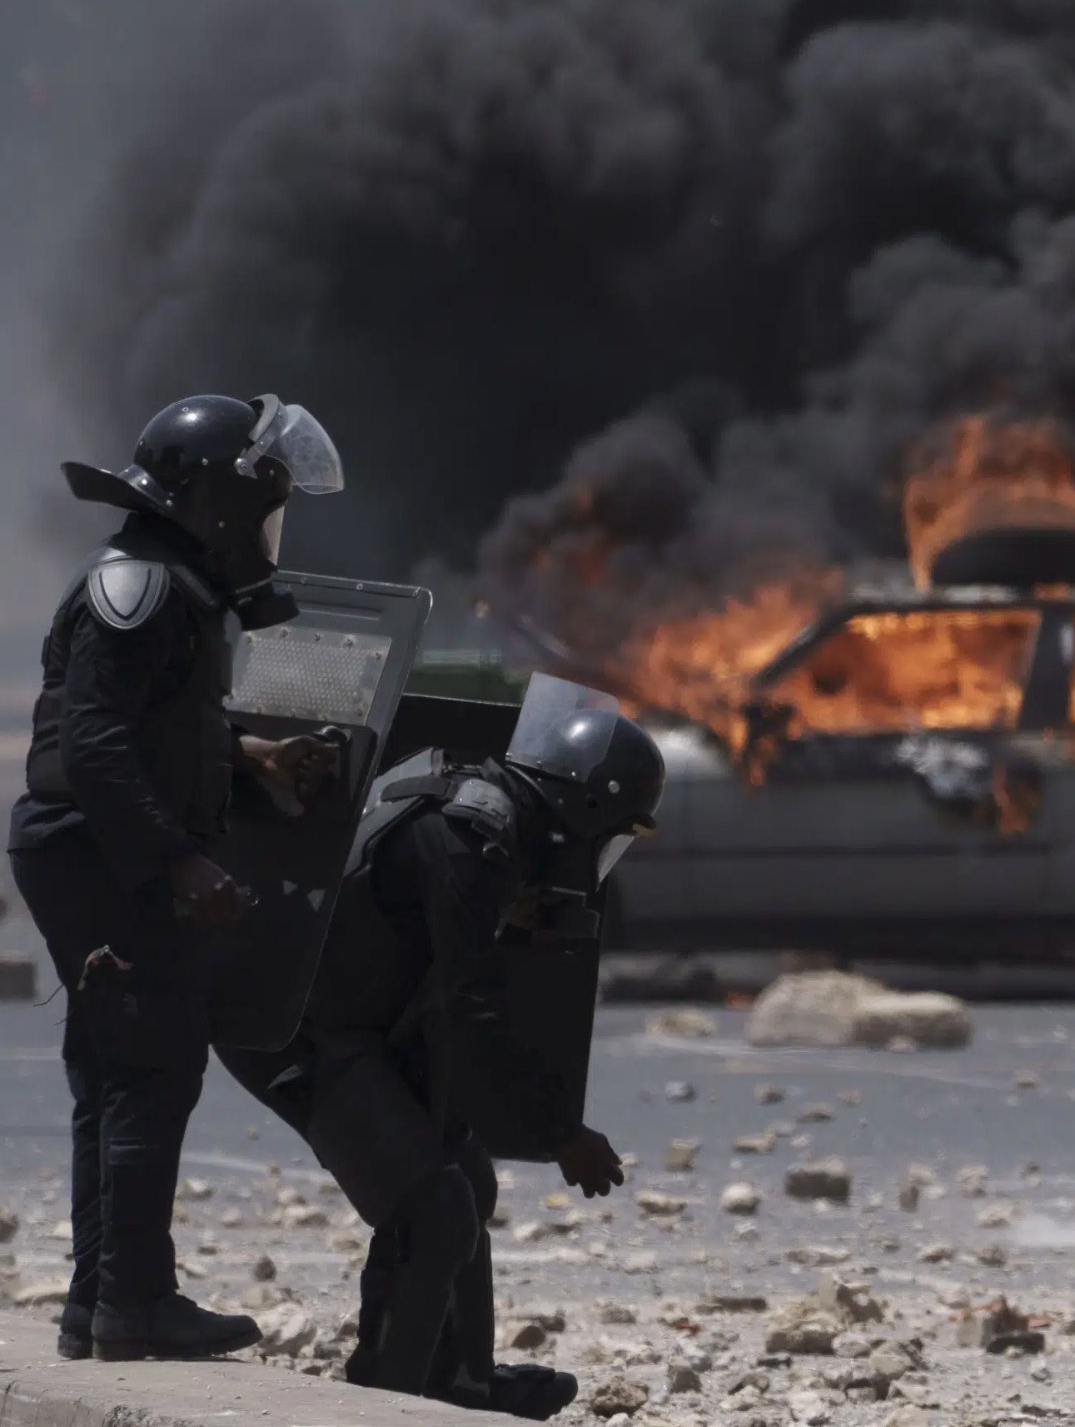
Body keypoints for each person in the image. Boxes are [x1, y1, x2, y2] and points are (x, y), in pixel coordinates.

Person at [10, 394, 347, 1360]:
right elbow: (100, 741)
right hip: (101, 848)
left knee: (114, 1075)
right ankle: (135, 1307)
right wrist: (177, 862)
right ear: (218, 502)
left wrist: (255, 758)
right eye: (264, 504)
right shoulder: (145, 588)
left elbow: (159, 726)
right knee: (152, 1069)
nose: (267, 529)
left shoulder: (161, 581)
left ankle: (98, 1303)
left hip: (84, 846)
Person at [219, 689, 661, 1415]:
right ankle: (386, 1401)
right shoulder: (475, 837)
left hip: (353, 1019)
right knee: (436, 1212)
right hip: (303, 1034)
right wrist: (561, 1135)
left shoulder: (478, 807)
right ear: (580, 808)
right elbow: (472, 1010)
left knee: (462, 1181)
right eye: (607, 832)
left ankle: (461, 1384)